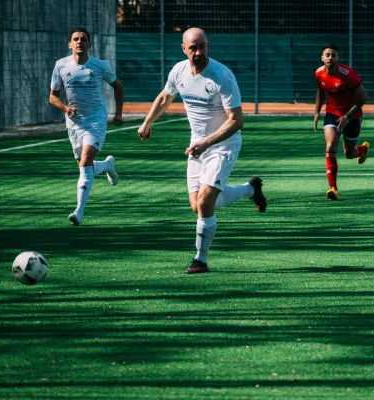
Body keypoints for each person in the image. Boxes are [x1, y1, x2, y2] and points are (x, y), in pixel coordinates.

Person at [137, 27, 267, 274]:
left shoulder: (222, 76)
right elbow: (165, 97)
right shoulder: (179, 70)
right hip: (197, 144)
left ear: (208, 45)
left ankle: (200, 260)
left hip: (223, 144)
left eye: (202, 46)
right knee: (197, 205)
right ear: (183, 49)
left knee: (206, 202)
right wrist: (147, 121)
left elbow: (237, 120)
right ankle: (251, 189)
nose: (198, 52)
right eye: (193, 47)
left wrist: (207, 142)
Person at [50, 27, 124, 226]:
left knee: (86, 160)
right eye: (76, 39)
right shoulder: (61, 66)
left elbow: (117, 86)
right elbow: (53, 97)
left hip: (95, 120)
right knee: (86, 166)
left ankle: (79, 211)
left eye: (83, 39)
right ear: (70, 44)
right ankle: (108, 165)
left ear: (89, 44)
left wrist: (118, 113)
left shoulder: (100, 66)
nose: (79, 42)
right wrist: (66, 108)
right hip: (74, 123)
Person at [314, 44, 370, 201]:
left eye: (333, 55)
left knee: (349, 154)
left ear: (337, 58)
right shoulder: (319, 73)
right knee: (330, 146)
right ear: (322, 58)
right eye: (327, 55)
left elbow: (364, 98)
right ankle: (333, 188)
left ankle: (362, 150)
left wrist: (347, 116)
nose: (330, 58)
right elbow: (320, 90)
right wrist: (317, 112)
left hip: (352, 115)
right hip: (332, 113)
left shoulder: (348, 74)